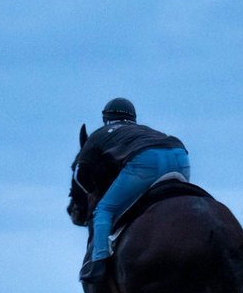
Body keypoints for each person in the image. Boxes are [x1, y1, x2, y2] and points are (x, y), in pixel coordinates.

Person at [73, 98, 190, 283]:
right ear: (133, 119)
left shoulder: (102, 133)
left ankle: (98, 265)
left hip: (146, 161)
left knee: (104, 209)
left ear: (106, 119)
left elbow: (81, 173)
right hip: (180, 156)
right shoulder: (144, 131)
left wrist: (92, 194)